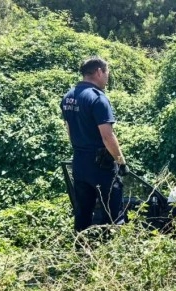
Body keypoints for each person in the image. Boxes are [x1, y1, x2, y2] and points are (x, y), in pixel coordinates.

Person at [61, 56, 128, 232]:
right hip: (102, 166)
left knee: (83, 212)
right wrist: (120, 162)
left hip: (79, 163)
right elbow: (108, 136)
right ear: (99, 72)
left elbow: (68, 129)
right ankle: (112, 252)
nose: (107, 77)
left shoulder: (68, 96)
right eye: (107, 72)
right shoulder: (98, 98)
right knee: (113, 214)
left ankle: (81, 251)